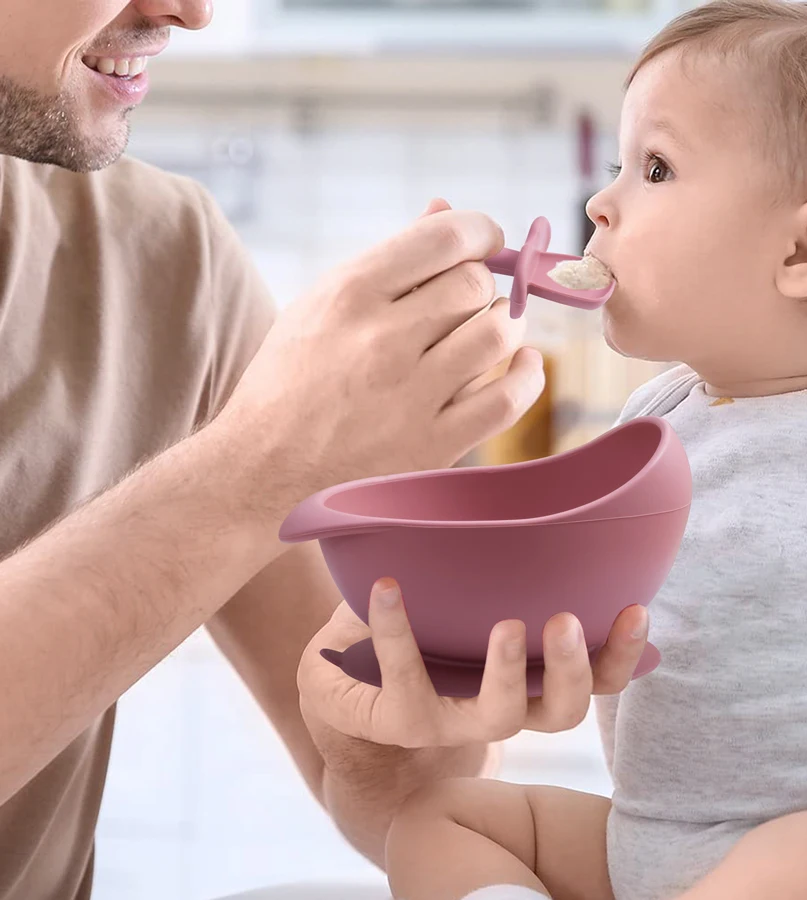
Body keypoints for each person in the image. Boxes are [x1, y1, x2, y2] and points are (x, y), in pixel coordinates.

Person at [0, 1, 653, 898]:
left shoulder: (166, 260)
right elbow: (261, 471)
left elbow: (402, 799)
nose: (191, 10)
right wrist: (262, 468)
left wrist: (415, 699)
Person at [304, 1, 807, 898]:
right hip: (649, 847)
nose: (600, 202)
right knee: (438, 819)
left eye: (655, 168)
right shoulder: (654, 423)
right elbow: (556, 583)